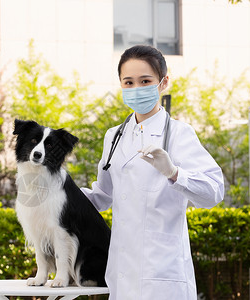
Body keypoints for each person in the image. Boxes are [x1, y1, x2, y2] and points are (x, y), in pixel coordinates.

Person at [81, 45, 224, 299]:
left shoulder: (179, 134)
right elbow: (102, 195)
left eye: (145, 81)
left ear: (163, 82)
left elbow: (214, 192)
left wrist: (174, 173)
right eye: (129, 82)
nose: (136, 89)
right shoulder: (114, 136)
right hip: (121, 274)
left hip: (163, 274)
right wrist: (60, 194)